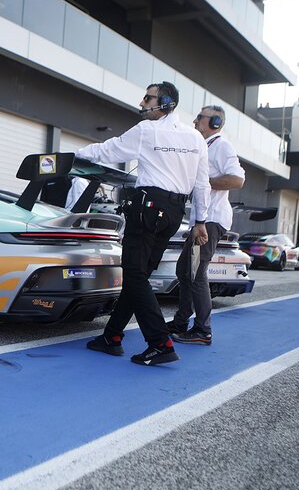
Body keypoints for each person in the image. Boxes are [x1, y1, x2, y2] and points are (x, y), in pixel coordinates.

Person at [82, 81, 210, 366]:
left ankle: (160, 343)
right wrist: (199, 220)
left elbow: (108, 151)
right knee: (138, 275)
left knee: (135, 275)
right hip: (175, 213)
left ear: (164, 103)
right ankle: (112, 336)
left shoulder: (146, 130)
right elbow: (202, 185)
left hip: (148, 209)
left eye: (147, 98)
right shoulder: (196, 138)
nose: (142, 103)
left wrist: (75, 154)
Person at [168, 106, 245, 345]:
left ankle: (203, 330)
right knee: (184, 270)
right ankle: (181, 321)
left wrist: (204, 182)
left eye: (199, 117)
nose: (194, 120)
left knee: (196, 273)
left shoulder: (222, 145)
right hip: (202, 220)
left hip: (211, 220)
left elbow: (237, 178)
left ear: (214, 122)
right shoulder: (206, 146)